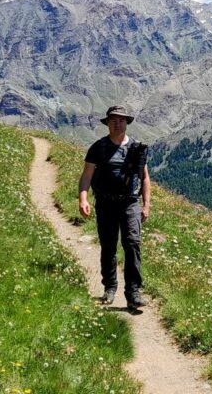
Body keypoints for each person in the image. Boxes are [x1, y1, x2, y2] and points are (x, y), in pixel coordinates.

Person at [78, 105, 151, 309]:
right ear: (107, 122)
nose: (117, 123)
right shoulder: (98, 148)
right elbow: (86, 177)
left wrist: (146, 204)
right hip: (105, 203)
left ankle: (133, 292)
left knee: (132, 243)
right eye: (113, 119)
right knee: (108, 246)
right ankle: (110, 287)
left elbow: (145, 178)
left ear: (127, 122)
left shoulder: (136, 148)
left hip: (130, 203)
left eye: (121, 119)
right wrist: (83, 199)